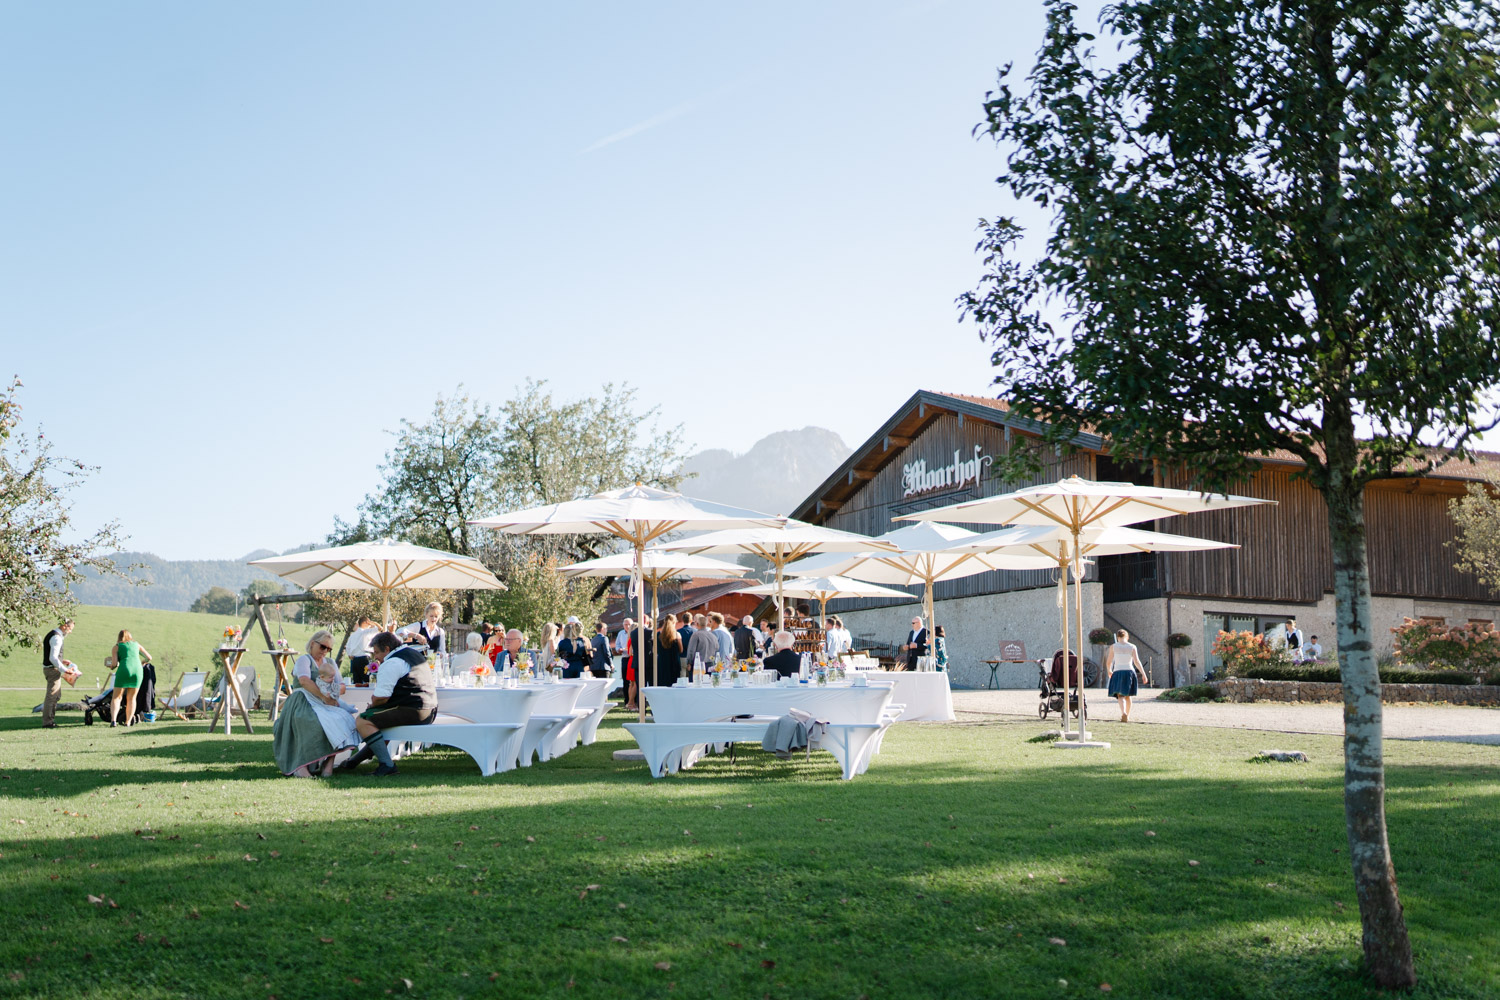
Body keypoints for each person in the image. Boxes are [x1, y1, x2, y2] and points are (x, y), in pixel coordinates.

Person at [343, 631, 438, 776]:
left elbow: (381, 698)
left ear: (387, 649)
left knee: (363, 720)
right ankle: (354, 761)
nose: (375, 657)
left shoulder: (392, 663)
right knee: (378, 720)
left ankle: (387, 765)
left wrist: (372, 706)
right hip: (430, 710)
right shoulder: (413, 653)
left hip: (414, 710)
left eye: (376, 652)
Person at [104, 629, 152, 728]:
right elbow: (149, 658)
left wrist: (111, 667)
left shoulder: (117, 647)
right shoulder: (136, 645)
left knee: (117, 697)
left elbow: (114, 664)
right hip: (137, 671)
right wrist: (143, 662)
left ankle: (113, 721)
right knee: (132, 698)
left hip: (124, 670)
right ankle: (128, 722)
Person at [294, 630, 346, 709]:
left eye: (328, 649)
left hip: (326, 703)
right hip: (305, 703)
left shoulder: (330, 662)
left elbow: (342, 686)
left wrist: (332, 694)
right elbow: (304, 681)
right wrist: (324, 697)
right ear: (312, 644)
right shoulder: (304, 659)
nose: (325, 651)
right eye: (323, 647)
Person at [40, 619, 77, 729]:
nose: (70, 632)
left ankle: (50, 720)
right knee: (52, 696)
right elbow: (53, 658)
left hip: (50, 668)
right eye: (70, 629)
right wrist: (65, 670)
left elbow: (53, 656)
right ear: (65, 626)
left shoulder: (52, 634)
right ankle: (48, 722)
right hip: (52, 670)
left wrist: (62, 661)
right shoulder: (57, 638)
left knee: (56, 695)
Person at [1105, 628, 1148, 722]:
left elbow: (1109, 662)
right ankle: (1127, 715)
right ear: (1127, 637)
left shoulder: (1113, 647)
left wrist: (1109, 670)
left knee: (1120, 695)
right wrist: (1143, 674)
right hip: (1129, 671)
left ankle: (1123, 712)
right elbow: (1137, 662)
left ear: (1118, 637)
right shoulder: (1132, 647)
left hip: (1118, 671)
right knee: (1128, 696)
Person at [346, 616, 378, 684]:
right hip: (364, 658)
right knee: (367, 680)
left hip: (354, 660)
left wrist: (349, 654)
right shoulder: (366, 632)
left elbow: (348, 647)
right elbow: (378, 628)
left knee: (357, 682)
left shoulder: (353, 635)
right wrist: (372, 623)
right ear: (365, 623)